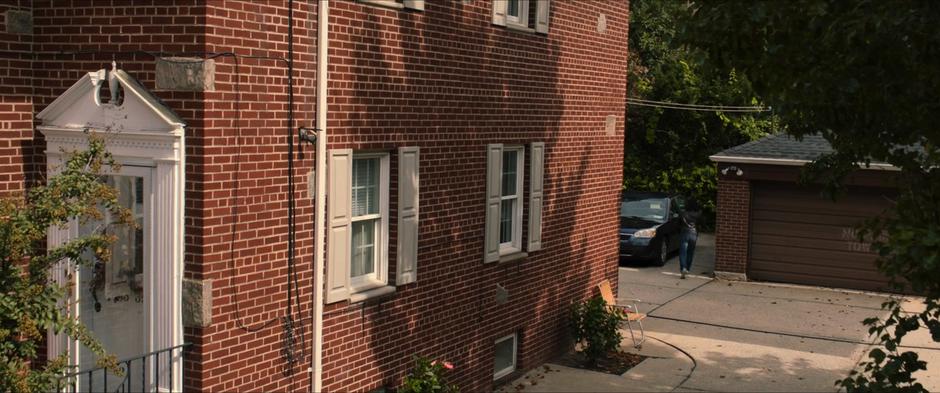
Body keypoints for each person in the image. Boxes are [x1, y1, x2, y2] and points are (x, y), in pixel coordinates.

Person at [679, 198, 701, 279]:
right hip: (694, 234)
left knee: (683, 252)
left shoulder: (683, 213)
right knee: (690, 252)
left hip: (684, 232)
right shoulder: (698, 214)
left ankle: (683, 268)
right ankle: (688, 268)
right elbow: (702, 223)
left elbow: (679, 223)